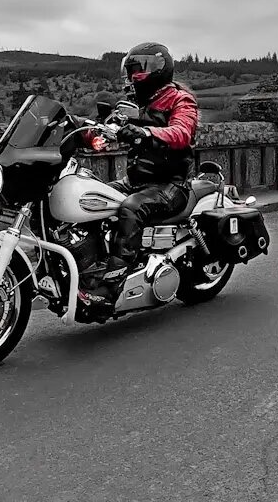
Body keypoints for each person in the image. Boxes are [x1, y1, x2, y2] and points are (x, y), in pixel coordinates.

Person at [77, 42, 199, 320]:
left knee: (131, 209)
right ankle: (92, 267)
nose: (133, 78)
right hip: (136, 181)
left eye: (137, 71)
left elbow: (182, 132)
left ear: (158, 68)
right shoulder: (137, 104)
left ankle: (110, 289)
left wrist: (146, 133)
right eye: (130, 72)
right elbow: (110, 127)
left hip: (170, 185)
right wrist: (79, 127)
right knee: (89, 197)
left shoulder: (181, 100)